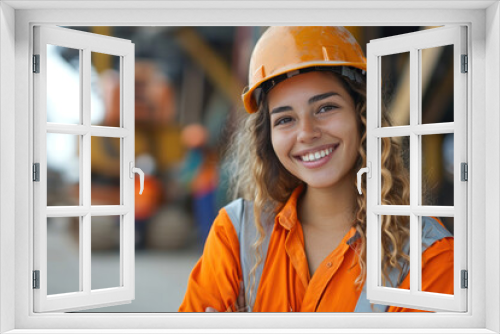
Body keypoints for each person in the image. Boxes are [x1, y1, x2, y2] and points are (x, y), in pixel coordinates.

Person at [178, 26, 454, 313]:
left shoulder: (429, 258)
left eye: (325, 108)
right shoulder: (235, 234)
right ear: (267, 137)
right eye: (285, 119)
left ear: (362, 115)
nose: (306, 133)